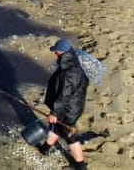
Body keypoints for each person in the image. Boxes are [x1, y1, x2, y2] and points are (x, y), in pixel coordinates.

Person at [40, 37, 90, 169]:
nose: (55, 53)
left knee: (70, 136)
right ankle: (45, 148)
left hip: (67, 110)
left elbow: (63, 95)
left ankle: (81, 166)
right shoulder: (75, 61)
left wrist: (55, 112)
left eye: (56, 51)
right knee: (56, 127)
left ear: (62, 52)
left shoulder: (68, 72)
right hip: (76, 105)